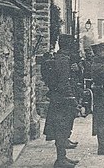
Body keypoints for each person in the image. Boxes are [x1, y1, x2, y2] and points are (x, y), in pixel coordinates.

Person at [43, 34, 79, 168]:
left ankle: (63, 157)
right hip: (63, 100)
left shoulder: (63, 58)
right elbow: (64, 83)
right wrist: (72, 99)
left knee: (63, 128)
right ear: (68, 45)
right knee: (61, 129)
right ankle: (60, 160)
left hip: (60, 99)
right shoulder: (63, 60)